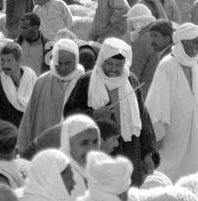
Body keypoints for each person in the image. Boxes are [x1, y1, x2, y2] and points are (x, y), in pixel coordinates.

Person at [68, 37, 156, 183]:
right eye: (109, 64)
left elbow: (143, 118)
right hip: (100, 150)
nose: (114, 69)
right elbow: (70, 115)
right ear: (102, 61)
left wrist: (147, 153)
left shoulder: (131, 81)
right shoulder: (87, 81)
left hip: (129, 150)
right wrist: (93, 114)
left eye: (118, 65)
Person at [145, 23, 198, 180]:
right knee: (170, 178)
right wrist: (157, 136)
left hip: (194, 133)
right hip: (173, 138)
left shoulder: (193, 65)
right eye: (195, 42)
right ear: (183, 43)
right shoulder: (167, 66)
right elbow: (158, 105)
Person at [18, 36, 84, 153]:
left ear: (76, 61)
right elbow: (29, 117)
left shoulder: (84, 82)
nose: (62, 68)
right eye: (59, 63)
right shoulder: (42, 82)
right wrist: (23, 148)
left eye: (67, 63)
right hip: (44, 148)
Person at [0, 42, 36, 129]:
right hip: (7, 136)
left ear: (19, 60)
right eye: (2, 60)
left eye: (9, 61)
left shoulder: (34, 82)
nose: (5, 65)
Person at [130, 19, 173, 97]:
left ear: (168, 38)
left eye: (156, 36)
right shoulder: (158, 54)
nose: (152, 40)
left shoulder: (170, 59)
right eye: (151, 36)